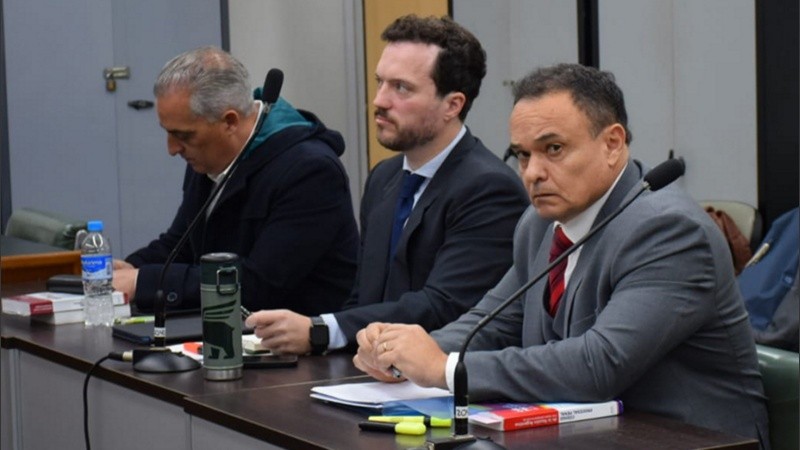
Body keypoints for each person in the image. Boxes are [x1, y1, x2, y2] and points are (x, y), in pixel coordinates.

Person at [354, 63, 770, 447]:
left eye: (553, 149)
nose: (532, 172)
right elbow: (491, 324)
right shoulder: (538, 225)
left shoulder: (669, 232)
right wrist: (401, 351)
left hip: (689, 440)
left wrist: (446, 369)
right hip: (583, 434)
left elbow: (597, 365)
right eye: (522, 154)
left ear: (612, 143)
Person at [245, 15, 528, 355]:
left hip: (440, 384)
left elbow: (443, 306)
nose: (379, 100)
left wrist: (322, 330)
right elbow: (361, 298)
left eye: (401, 88)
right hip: (370, 373)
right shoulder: (384, 177)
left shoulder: (489, 188)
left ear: (453, 105)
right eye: (380, 82)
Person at [112, 46, 358, 316]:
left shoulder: (310, 172)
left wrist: (144, 281)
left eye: (183, 135)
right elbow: (180, 245)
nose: (172, 148)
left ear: (229, 121)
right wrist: (129, 268)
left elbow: (258, 285)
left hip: (299, 347)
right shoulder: (209, 155)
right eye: (168, 133)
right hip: (227, 332)